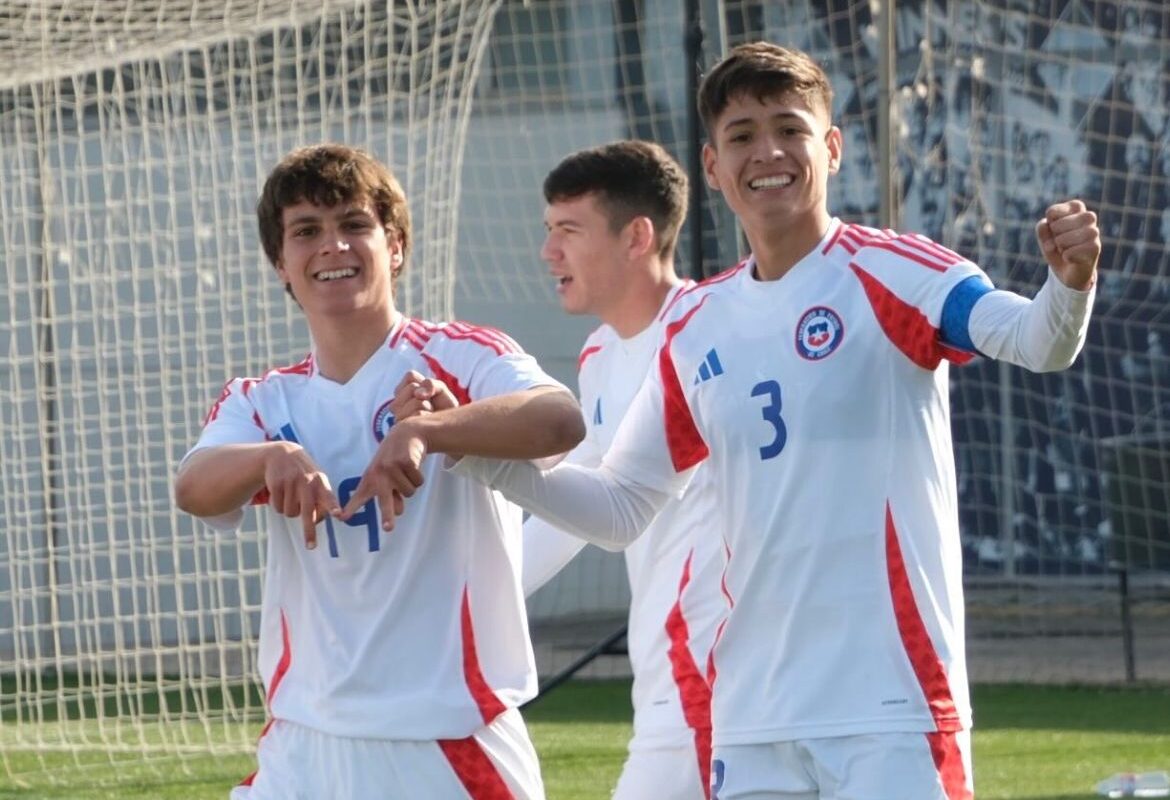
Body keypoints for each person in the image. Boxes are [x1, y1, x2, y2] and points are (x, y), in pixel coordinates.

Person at [413, 42, 1100, 799]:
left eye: (790, 128)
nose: (767, 152)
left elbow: (1037, 341)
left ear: (830, 149)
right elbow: (619, 508)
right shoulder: (698, 326)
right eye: (742, 135)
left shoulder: (898, 273)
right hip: (752, 718)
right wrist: (473, 450)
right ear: (713, 167)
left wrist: (1068, 287)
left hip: (890, 707)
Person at [173, 143, 584, 800]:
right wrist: (270, 457)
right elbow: (193, 488)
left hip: (443, 742)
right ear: (281, 263)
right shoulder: (261, 400)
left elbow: (559, 421)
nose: (333, 247)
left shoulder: (459, 355)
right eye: (307, 232)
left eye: (354, 225)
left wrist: (428, 430)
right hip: (304, 742)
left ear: (394, 245)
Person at [526, 141, 723, 799]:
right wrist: (466, 595)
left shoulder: (715, 332)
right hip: (667, 683)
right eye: (549, 231)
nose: (549, 252)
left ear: (637, 237)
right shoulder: (600, 353)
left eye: (569, 231)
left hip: (723, 681)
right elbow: (582, 501)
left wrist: (471, 451)